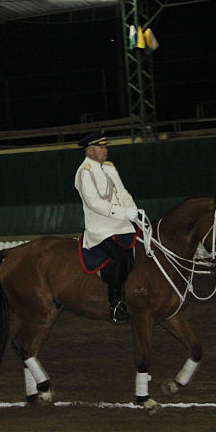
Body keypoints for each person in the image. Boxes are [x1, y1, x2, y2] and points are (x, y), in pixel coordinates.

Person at [74, 131, 139, 324]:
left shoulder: (110, 168)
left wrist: (131, 207)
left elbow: (122, 191)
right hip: (100, 228)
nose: (105, 150)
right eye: (101, 147)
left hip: (121, 224)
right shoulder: (84, 172)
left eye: (105, 147)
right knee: (119, 257)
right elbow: (95, 203)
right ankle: (116, 304)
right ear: (90, 150)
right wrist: (123, 213)